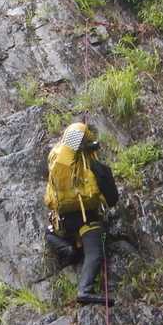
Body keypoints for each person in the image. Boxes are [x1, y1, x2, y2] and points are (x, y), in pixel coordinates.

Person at [44, 121, 119, 305]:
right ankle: (84, 290)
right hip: (88, 221)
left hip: (62, 224)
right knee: (95, 252)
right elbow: (112, 199)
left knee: (49, 233)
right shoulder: (95, 167)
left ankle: (71, 252)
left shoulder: (57, 163)